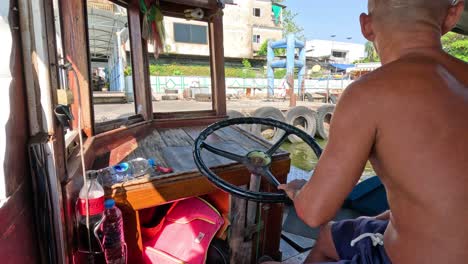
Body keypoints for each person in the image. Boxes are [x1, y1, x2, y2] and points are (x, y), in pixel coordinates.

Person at [264, 0, 468, 263]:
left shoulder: (368, 93)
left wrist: (298, 191)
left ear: (366, 26)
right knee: (331, 235)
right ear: (452, 16)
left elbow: (313, 213)